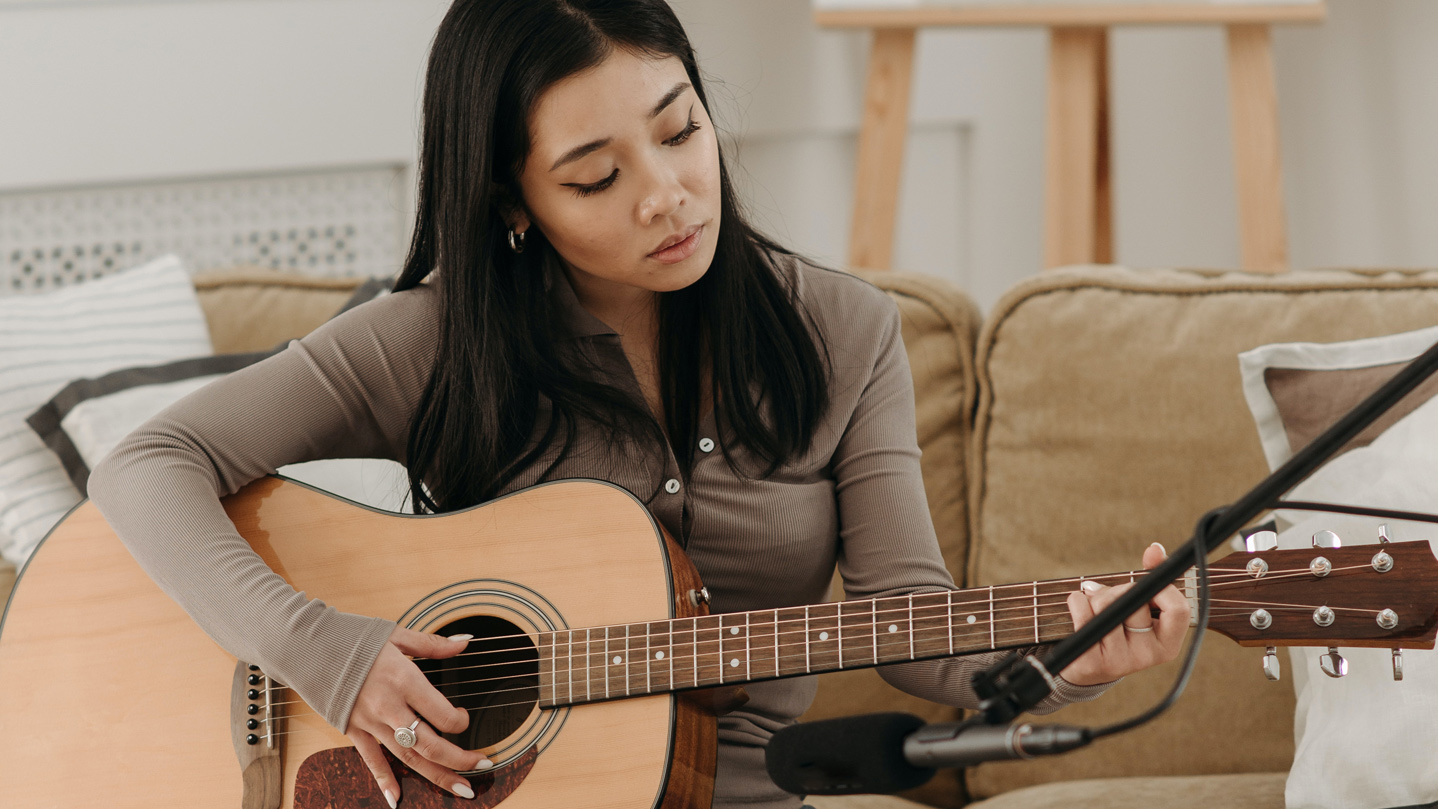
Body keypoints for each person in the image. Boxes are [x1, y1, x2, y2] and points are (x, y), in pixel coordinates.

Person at [88, 1, 1190, 807]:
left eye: (678, 130)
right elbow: (147, 464)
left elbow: (914, 628)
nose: (666, 195)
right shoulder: (436, 339)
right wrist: (329, 652)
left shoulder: (846, 332)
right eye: (593, 176)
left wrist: (1065, 657)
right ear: (511, 202)